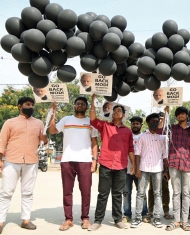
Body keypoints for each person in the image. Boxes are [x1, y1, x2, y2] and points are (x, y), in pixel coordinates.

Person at [48, 98, 99, 231]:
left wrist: (94, 160)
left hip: (85, 161)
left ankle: (85, 218)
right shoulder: (66, 119)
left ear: (86, 107)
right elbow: (52, 131)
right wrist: (53, 112)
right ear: (74, 106)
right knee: (67, 191)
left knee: (86, 191)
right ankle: (68, 219)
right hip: (67, 160)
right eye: (78, 104)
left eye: (82, 104)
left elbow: (94, 143)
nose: (80, 106)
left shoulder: (91, 122)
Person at [0, 97, 48, 233]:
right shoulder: (10, 123)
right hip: (12, 161)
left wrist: (45, 135)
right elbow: (2, 141)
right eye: (28, 104)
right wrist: (0, 160)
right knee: (6, 192)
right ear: (19, 106)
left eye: (32, 104)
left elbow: (43, 141)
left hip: (31, 162)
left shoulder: (39, 123)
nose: (31, 107)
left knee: (27, 192)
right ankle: (0, 221)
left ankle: (26, 220)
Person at [88, 94, 135, 231]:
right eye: (114, 110)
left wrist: (134, 165)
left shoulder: (128, 131)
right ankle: (97, 221)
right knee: (103, 194)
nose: (116, 112)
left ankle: (118, 220)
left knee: (117, 194)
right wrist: (93, 101)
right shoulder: (104, 126)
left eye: (119, 111)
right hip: (106, 164)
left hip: (121, 166)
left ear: (123, 115)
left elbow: (130, 149)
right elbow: (92, 120)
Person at [159, 106, 190, 231]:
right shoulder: (171, 128)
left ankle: (185, 221)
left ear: (187, 115)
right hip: (174, 164)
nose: (180, 116)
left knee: (186, 193)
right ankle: (176, 220)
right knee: (176, 193)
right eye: (178, 114)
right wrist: (166, 113)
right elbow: (160, 130)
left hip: (188, 164)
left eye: (183, 114)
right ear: (176, 116)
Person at [130, 113, 169, 229]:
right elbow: (137, 153)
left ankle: (157, 218)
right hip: (144, 168)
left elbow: (165, 155)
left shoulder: (163, 137)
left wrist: (166, 170)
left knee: (158, 193)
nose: (155, 123)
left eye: (157, 121)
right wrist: (137, 168)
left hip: (158, 169)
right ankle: (137, 218)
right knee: (140, 193)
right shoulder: (142, 136)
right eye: (152, 121)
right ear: (148, 123)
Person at [122, 116, 148, 223]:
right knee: (126, 192)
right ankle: (127, 214)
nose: (135, 125)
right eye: (133, 123)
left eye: (137, 124)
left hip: (140, 170)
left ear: (141, 125)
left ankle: (144, 213)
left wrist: (139, 168)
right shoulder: (127, 135)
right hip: (126, 169)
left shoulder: (145, 136)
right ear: (131, 125)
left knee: (142, 193)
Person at [147, 112, 172, 221]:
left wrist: (167, 168)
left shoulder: (169, 132)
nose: (159, 121)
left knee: (165, 189)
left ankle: (166, 211)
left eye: (161, 119)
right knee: (152, 189)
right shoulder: (150, 133)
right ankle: (150, 211)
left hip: (165, 165)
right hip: (153, 165)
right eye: (158, 120)